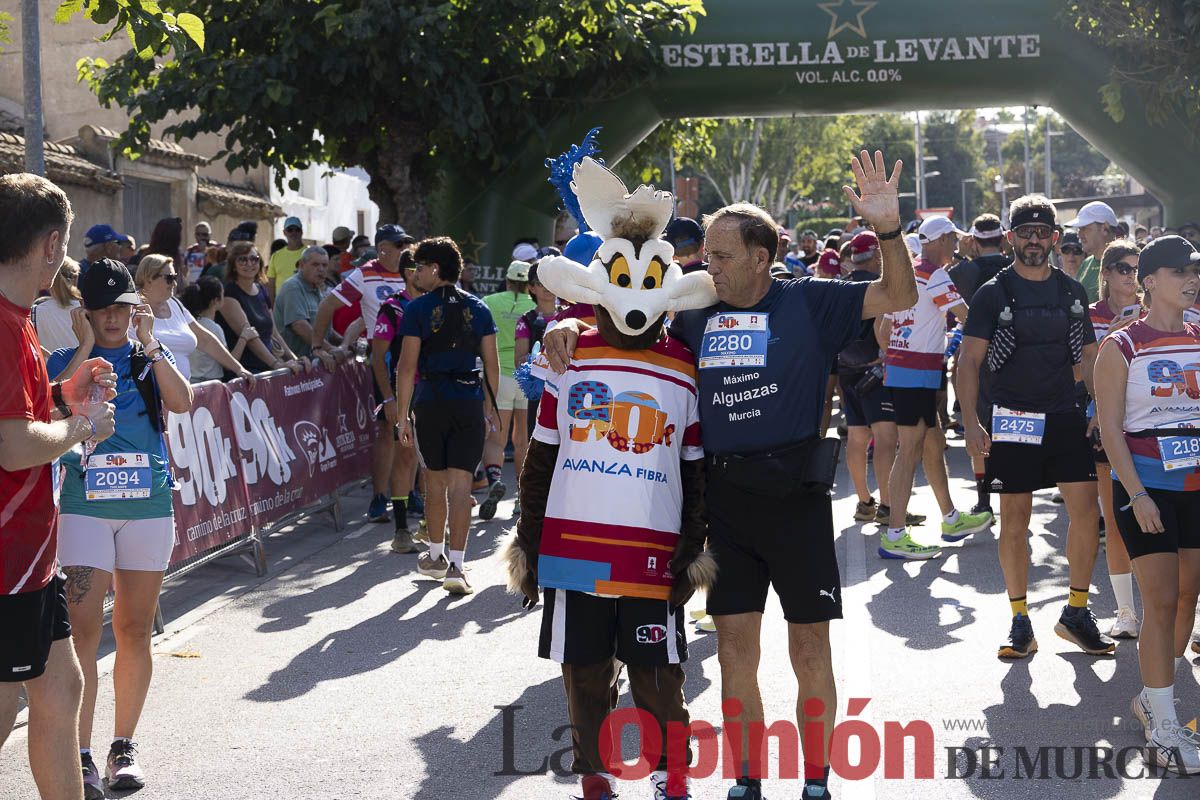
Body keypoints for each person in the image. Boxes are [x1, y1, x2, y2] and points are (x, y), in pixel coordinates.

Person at [544, 150, 920, 800]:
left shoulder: (812, 303)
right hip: (726, 503)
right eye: (704, 255)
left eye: (719, 255)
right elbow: (627, 323)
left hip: (797, 498)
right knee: (738, 651)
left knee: (809, 651)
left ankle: (816, 780)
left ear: (760, 257)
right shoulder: (693, 310)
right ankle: (747, 780)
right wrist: (571, 326)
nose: (704, 265)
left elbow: (899, 294)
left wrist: (888, 230)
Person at [48, 260, 192, 796]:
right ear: (85, 311)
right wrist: (85, 349)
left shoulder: (147, 357)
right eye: (102, 309)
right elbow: (44, 402)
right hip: (85, 506)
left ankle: (122, 746)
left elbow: (182, 401)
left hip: (149, 506)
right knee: (82, 631)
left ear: (135, 309)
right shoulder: (68, 359)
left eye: (122, 308)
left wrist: (151, 344)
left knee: (134, 628)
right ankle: (79, 753)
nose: (113, 319)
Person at [0, 173, 117, 800]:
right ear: (50, 245)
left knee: (62, 687)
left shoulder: (18, 316)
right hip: (7, 559)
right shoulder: (3, 320)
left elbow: (16, 416)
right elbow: (13, 445)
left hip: (27, 555)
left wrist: (59, 397)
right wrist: (82, 423)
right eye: (65, 247)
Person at [958, 194, 1112, 659]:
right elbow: (968, 362)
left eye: (1042, 232)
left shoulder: (1072, 292)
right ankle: (1020, 621)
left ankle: (1076, 612)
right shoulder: (992, 294)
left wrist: (1101, 407)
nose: (1034, 240)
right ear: (1010, 238)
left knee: (1086, 513)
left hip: (1065, 415)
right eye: (1025, 232)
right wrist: (970, 425)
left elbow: (1088, 356)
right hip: (1012, 420)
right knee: (1014, 523)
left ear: (1054, 237)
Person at [1094, 234, 1200, 774]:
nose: (1192, 279)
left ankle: (1152, 694)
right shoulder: (1122, 346)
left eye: (1196, 271)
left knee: (1188, 596)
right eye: (1180, 271)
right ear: (1150, 282)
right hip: (1145, 488)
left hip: (1196, 486)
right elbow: (1110, 430)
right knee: (1157, 601)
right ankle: (1163, 720)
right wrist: (1135, 494)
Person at [878, 216, 992, 559]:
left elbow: (883, 329)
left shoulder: (905, 271)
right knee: (910, 448)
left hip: (909, 371)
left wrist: (901, 353)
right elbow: (967, 315)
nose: (956, 245)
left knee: (934, 442)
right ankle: (895, 533)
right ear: (941, 240)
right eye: (953, 239)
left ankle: (951, 518)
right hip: (917, 373)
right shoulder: (934, 273)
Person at [395, 237, 499, 595]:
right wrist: (488, 410)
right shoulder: (479, 308)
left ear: (435, 269)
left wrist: (403, 417)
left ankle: (436, 556)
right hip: (468, 398)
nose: (415, 273)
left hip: (431, 400)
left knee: (434, 482)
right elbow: (492, 367)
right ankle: (456, 564)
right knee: (461, 486)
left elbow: (406, 368)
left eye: (420, 267)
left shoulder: (417, 309)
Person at [312, 224, 414, 522]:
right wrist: (319, 344)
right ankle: (380, 496)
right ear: (383, 248)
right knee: (386, 429)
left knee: (414, 428)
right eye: (398, 244)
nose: (403, 249)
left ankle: (411, 494)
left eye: (405, 244)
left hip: (418, 357)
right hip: (386, 358)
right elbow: (328, 304)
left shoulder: (413, 270)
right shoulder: (365, 272)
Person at [1088, 239, 1147, 639]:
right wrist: (1109, 339)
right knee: (1115, 520)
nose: (1132, 277)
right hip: (1108, 427)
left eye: (1137, 269)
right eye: (1124, 269)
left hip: (1154, 428)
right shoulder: (1089, 316)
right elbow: (1082, 377)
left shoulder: (1161, 313)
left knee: (1178, 520)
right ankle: (1126, 611)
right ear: (1105, 273)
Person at [837, 232, 901, 526]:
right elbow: (881, 324)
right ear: (877, 256)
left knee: (858, 436)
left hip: (846, 369)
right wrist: (888, 356)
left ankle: (864, 503)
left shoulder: (839, 286)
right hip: (875, 369)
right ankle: (889, 507)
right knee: (886, 438)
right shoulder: (877, 287)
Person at [372, 249, 423, 552]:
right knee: (405, 454)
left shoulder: (437, 303)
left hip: (433, 391)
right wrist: (389, 397)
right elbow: (377, 358)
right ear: (407, 272)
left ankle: (430, 522)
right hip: (403, 390)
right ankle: (402, 529)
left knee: (429, 459)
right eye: (420, 266)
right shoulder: (392, 308)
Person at [135, 255, 253, 384]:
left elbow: (205, 340)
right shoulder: (130, 307)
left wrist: (239, 369)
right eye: (169, 278)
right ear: (149, 279)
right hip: (148, 395)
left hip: (183, 394)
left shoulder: (175, 304)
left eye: (175, 277)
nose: (174, 283)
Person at [480, 260, 536, 518]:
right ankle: (521, 499)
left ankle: (493, 481)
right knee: (523, 437)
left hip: (498, 373)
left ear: (508, 280)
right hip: (527, 374)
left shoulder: (490, 301)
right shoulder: (534, 305)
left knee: (496, 437)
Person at [217, 241, 307, 376]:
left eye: (254, 259)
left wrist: (294, 359)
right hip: (244, 373)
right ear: (233, 266)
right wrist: (276, 364)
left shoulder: (261, 289)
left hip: (267, 367)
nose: (249, 263)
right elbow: (250, 336)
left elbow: (274, 333)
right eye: (242, 259)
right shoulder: (229, 293)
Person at [273, 246, 337, 366]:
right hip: (295, 368)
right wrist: (330, 349)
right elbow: (299, 326)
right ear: (302, 265)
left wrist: (345, 344)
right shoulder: (292, 287)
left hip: (312, 365)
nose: (321, 269)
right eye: (315, 265)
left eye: (324, 265)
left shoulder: (317, 288)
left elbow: (327, 330)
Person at [180, 277, 250, 383]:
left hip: (191, 381)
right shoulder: (214, 328)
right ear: (215, 301)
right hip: (210, 384)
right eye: (223, 295)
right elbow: (228, 363)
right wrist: (244, 337)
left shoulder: (189, 324)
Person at [1066, 200, 1121, 303]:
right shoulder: (1086, 263)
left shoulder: (1125, 263)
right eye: (1079, 229)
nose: (1079, 234)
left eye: (1085, 228)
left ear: (1105, 228)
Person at [32, 257, 83, 353]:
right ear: (75, 279)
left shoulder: (35, 312)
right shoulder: (88, 310)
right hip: (84, 367)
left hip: (49, 367)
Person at [267, 216, 305, 300]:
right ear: (284, 232)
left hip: (304, 304)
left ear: (301, 232)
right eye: (290, 230)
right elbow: (271, 284)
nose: (293, 232)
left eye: (297, 230)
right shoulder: (276, 256)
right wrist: (273, 306)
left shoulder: (310, 254)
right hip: (282, 306)